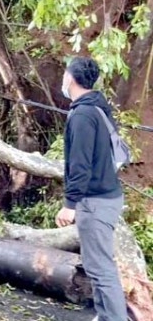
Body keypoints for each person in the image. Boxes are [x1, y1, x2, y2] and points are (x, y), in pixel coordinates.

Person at [55, 57, 126, 321]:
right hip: (106, 196)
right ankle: (105, 316)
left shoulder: (83, 114)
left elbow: (80, 164)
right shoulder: (96, 107)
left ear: (70, 79)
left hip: (95, 201)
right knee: (97, 266)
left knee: (101, 269)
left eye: (64, 73)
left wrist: (69, 205)